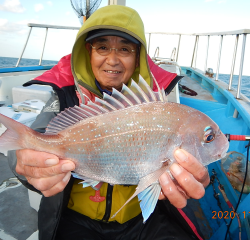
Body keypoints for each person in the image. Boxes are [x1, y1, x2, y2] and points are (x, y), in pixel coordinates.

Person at [8, 5, 209, 240]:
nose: (112, 60)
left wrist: (186, 179)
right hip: (73, 218)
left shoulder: (159, 104)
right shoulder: (64, 95)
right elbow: (38, 135)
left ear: (137, 57)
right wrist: (24, 163)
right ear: (88, 52)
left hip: (143, 220)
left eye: (124, 49)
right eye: (102, 47)